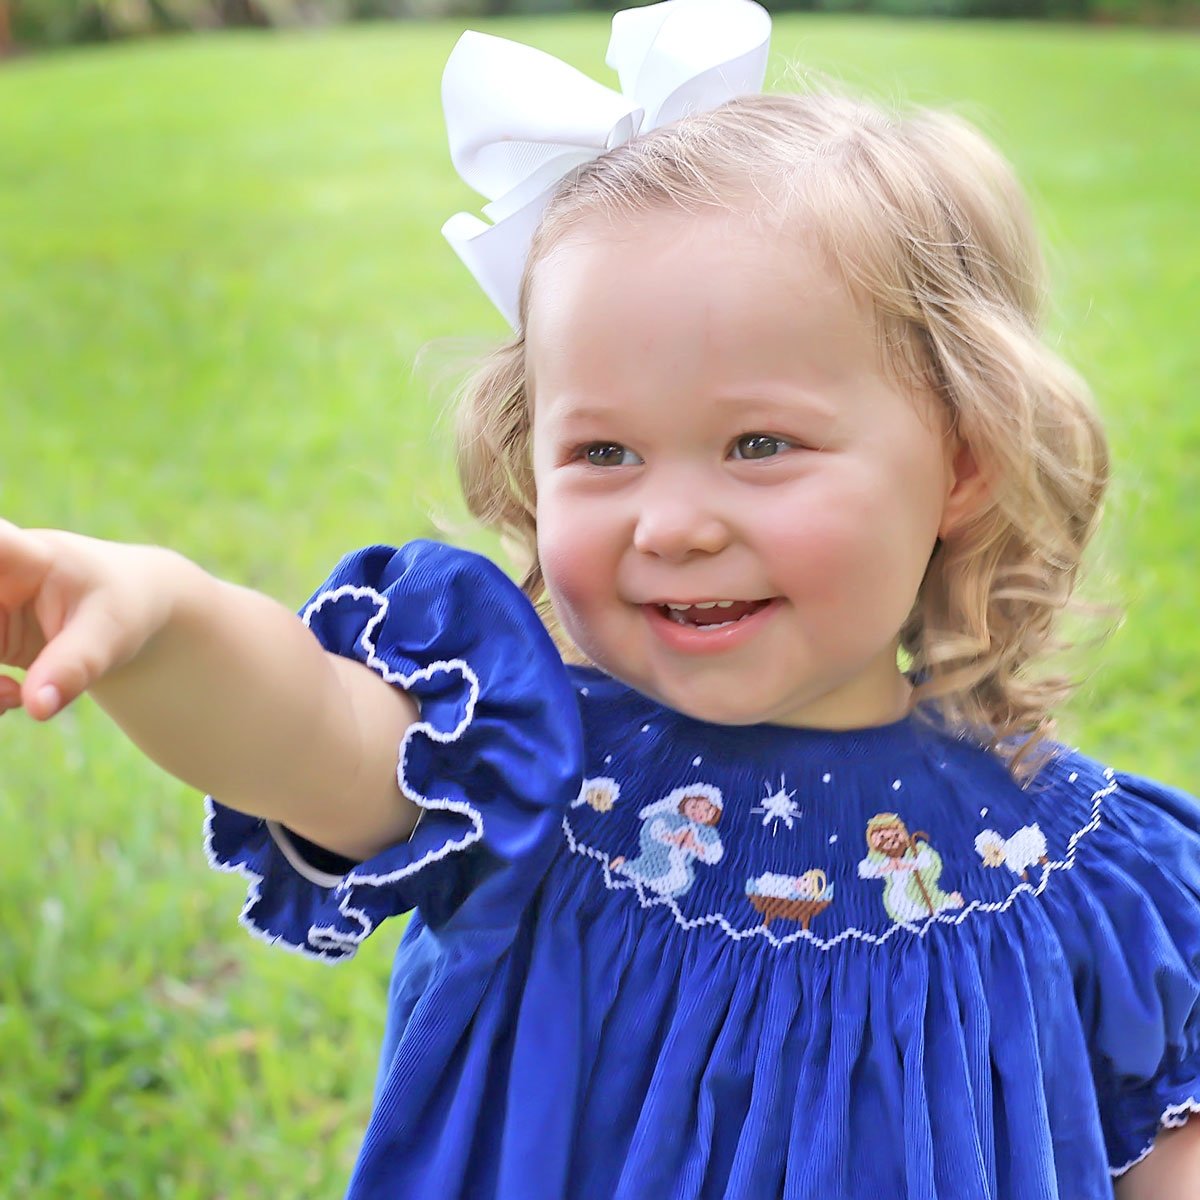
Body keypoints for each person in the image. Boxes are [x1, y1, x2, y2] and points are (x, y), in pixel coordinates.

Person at [2, 1, 1198, 1196]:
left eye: (760, 444)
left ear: (963, 462)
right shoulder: (525, 768)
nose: (671, 524)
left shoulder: (1080, 872)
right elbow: (307, 729)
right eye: (604, 454)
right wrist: (162, 620)